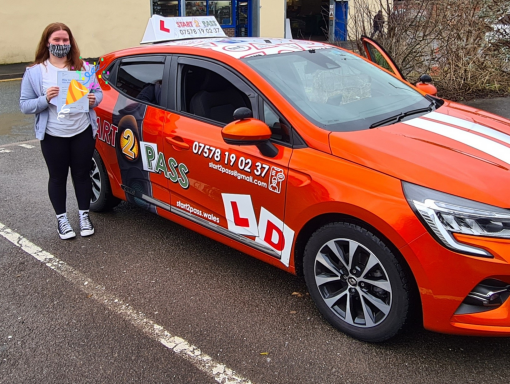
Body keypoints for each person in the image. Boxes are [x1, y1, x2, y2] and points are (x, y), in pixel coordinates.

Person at [19, 23, 103, 240]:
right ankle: (62, 219)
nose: (61, 44)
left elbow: (98, 93)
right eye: (56, 40)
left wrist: (94, 99)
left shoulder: (83, 68)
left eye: (65, 40)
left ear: (70, 42)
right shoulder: (36, 72)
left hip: (81, 131)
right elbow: (25, 105)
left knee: (82, 175)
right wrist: (44, 99)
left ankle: (84, 216)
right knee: (57, 178)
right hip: (53, 134)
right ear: (47, 42)